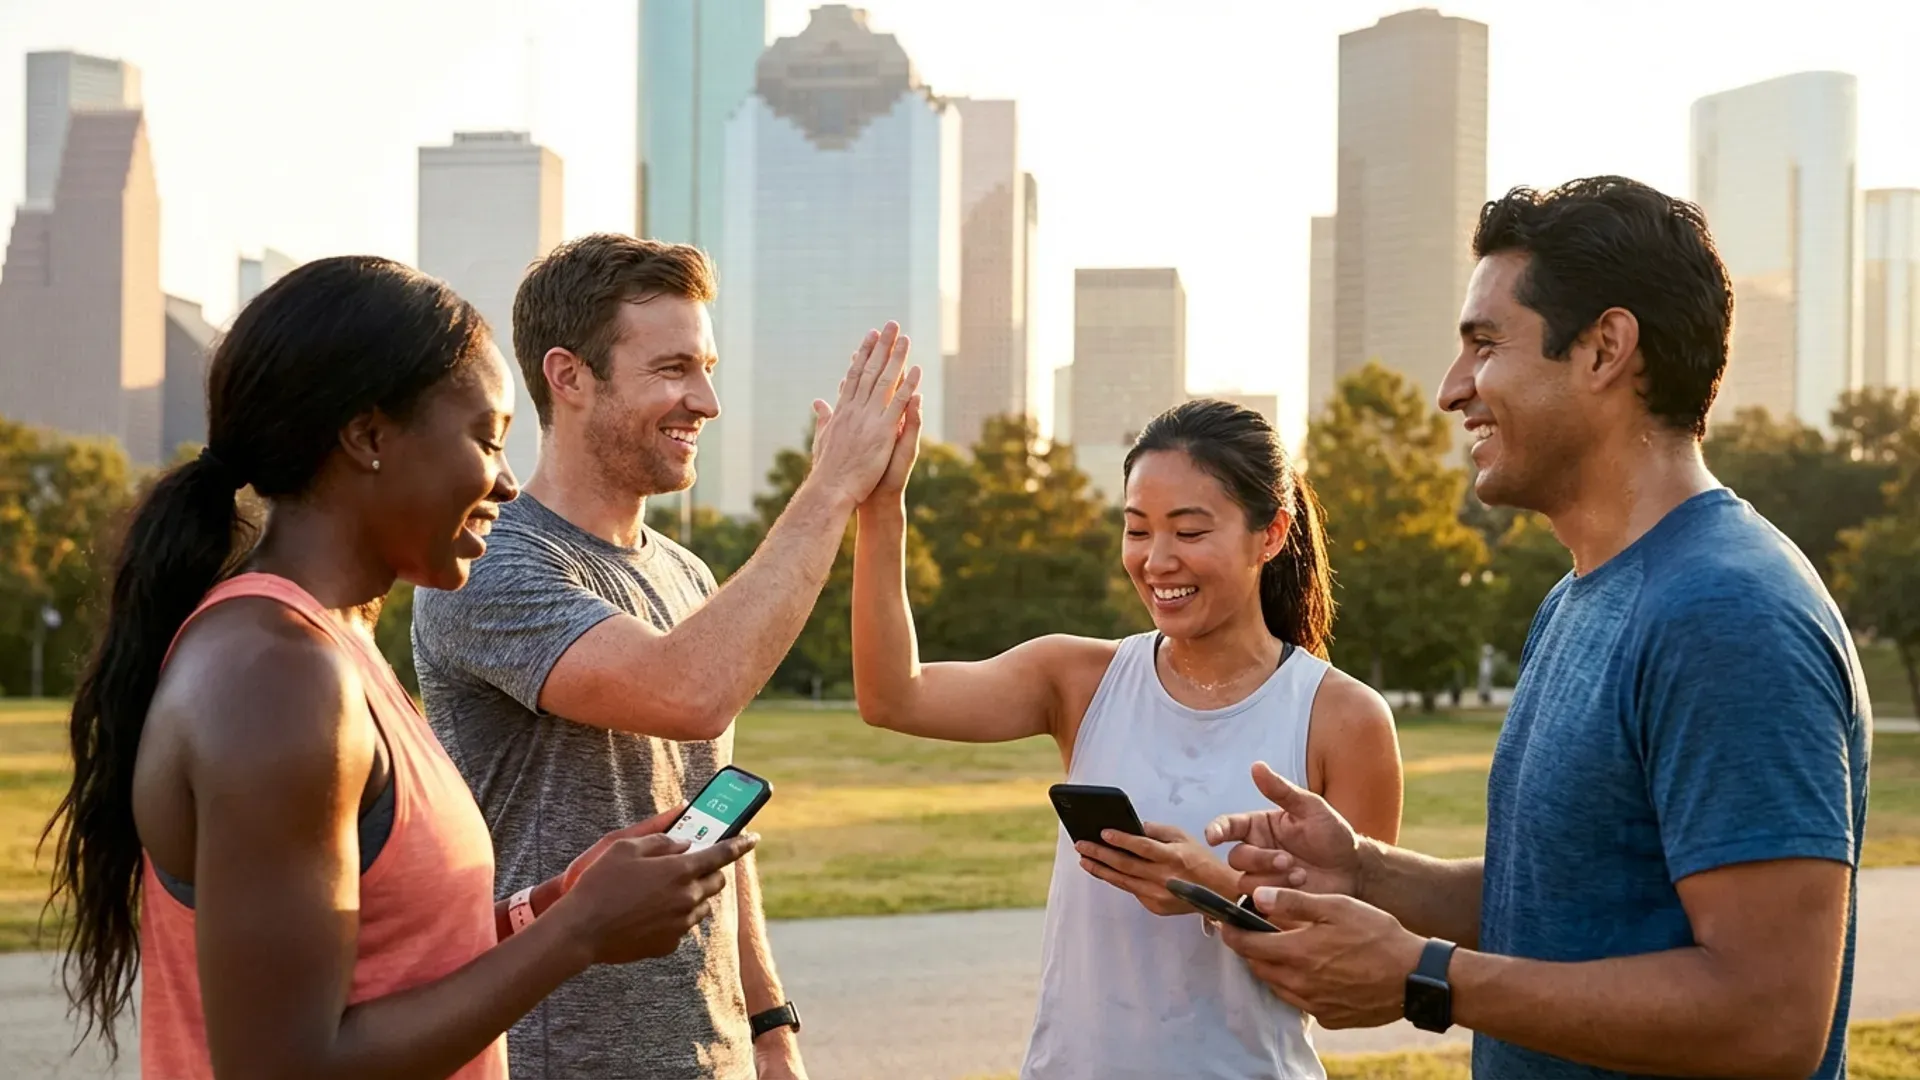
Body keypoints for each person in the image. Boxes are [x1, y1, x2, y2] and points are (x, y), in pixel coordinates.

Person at [1209, 176, 1872, 1080]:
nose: (1452, 391)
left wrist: (1425, 978)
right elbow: (1572, 903)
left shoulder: (1728, 614)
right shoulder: (1579, 600)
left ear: (1605, 349)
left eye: (1485, 345)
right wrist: (1366, 872)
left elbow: (1769, 1020)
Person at [42, 256, 753, 1080]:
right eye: (486, 440)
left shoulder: (331, 648)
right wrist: (578, 935)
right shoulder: (273, 679)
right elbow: (286, 1066)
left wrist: (558, 903)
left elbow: (387, 966)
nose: (508, 484)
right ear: (369, 436)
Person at [409, 233, 918, 1079]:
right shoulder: (493, 564)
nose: (707, 400)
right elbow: (690, 694)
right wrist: (831, 488)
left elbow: (710, 805)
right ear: (568, 377)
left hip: (707, 1055)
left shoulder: (687, 574)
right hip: (558, 1059)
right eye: (673, 369)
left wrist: (768, 1025)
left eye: (707, 366)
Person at [849, 396, 1404, 1079]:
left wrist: (1212, 889)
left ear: (1271, 533)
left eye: (1189, 532)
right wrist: (881, 507)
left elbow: (1355, 971)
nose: (1157, 560)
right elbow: (890, 696)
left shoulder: (1344, 717)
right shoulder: (1078, 679)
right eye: (1137, 530)